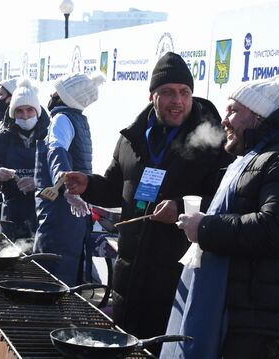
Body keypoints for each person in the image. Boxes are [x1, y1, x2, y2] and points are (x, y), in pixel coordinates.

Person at [63, 52, 234, 354]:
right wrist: (88, 185)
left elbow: (225, 203)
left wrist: (181, 208)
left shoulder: (215, 141)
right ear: (152, 96)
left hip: (177, 278)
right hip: (130, 273)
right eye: (168, 92)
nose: (177, 101)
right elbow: (116, 188)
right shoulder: (132, 138)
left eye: (184, 92)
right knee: (127, 349)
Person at [163, 75, 279, 359]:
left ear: (259, 115)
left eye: (233, 111)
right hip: (245, 317)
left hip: (267, 329)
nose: (224, 120)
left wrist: (205, 228)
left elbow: (278, 230)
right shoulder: (255, 157)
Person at [33, 72, 105, 286]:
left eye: (56, 90)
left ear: (63, 96)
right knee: (68, 267)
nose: (52, 94)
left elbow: (57, 152)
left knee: (51, 271)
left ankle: (48, 317)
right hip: (75, 207)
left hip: (60, 209)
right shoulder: (80, 121)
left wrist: (66, 188)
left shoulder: (61, 119)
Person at [0, 78, 49, 239]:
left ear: (37, 111)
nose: (25, 116)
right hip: (11, 217)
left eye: (30, 110)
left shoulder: (50, 137)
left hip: (44, 216)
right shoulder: (2, 137)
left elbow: (65, 176)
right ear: (12, 113)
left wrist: (38, 183)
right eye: (19, 111)